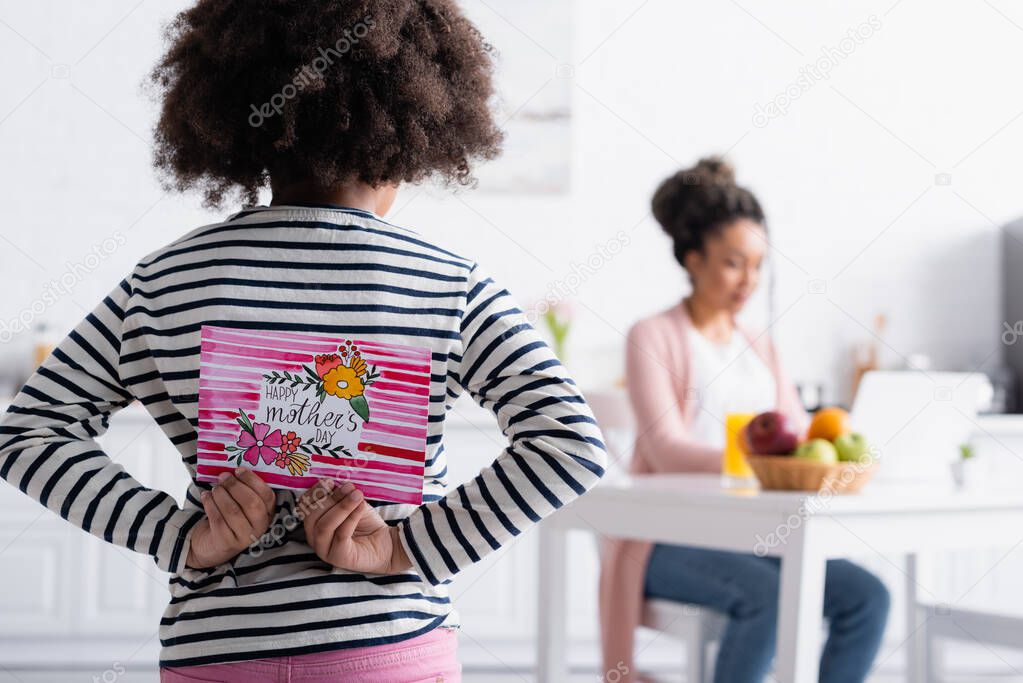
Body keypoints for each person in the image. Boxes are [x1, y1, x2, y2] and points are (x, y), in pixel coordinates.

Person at [0, 2, 607, 681]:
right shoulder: (447, 284)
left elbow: (27, 434)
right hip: (387, 649)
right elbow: (570, 443)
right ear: (416, 124)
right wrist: (406, 548)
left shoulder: (164, 280)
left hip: (216, 653)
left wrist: (182, 538)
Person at [598, 157, 889, 683]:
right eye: (734, 263)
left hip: (757, 534)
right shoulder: (652, 335)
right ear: (693, 259)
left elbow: (798, 438)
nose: (749, 280)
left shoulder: (759, 344)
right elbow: (666, 449)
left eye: (758, 265)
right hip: (665, 538)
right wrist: (761, 463)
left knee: (868, 596)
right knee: (766, 596)